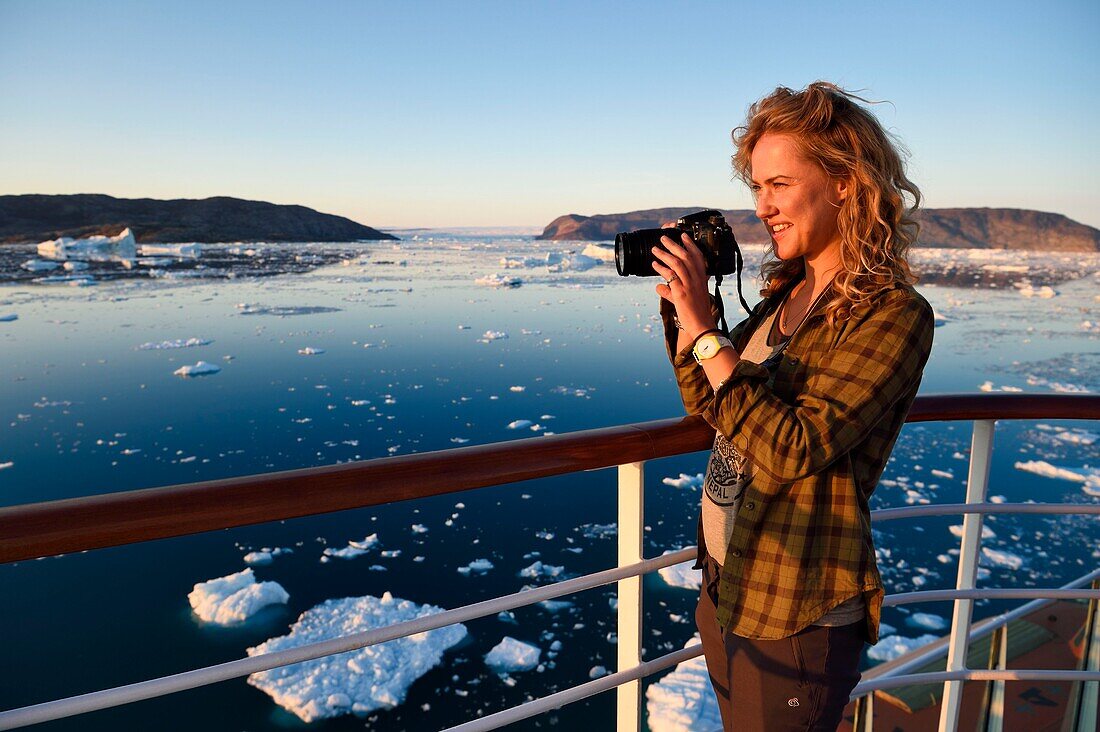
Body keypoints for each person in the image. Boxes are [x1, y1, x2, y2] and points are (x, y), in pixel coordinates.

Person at [651, 82, 935, 731]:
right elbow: (711, 401)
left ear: (843, 181)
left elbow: (793, 447)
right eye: (757, 188)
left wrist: (705, 334)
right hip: (727, 581)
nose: (764, 206)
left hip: (795, 608)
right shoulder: (789, 294)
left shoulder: (890, 313)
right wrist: (687, 318)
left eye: (779, 184)